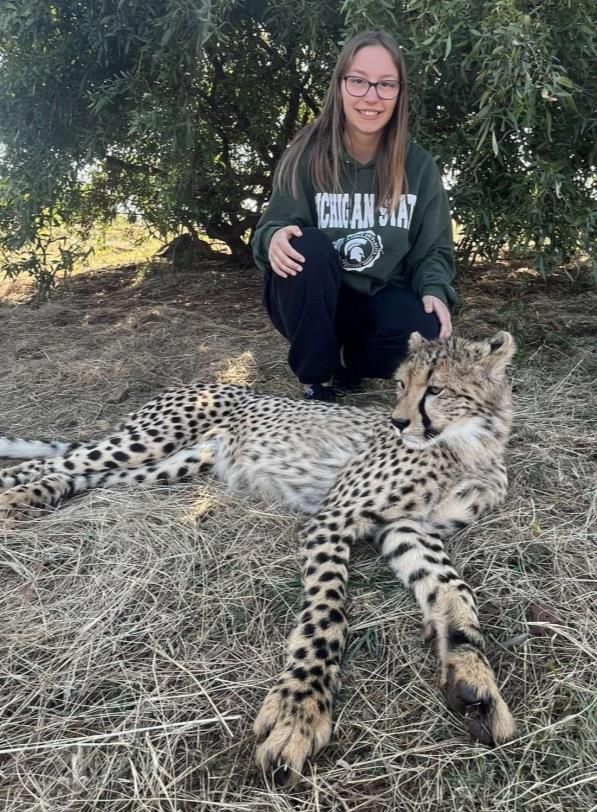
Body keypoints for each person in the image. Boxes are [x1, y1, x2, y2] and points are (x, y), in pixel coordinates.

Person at [252, 30, 457, 402]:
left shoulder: (419, 166)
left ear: (400, 92)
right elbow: (271, 228)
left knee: (423, 330)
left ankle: (353, 362)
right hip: (315, 301)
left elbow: (433, 251)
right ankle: (317, 379)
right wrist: (274, 238)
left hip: (377, 301)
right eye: (359, 81)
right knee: (307, 244)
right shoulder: (307, 155)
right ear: (341, 85)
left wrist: (435, 291)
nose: (371, 97)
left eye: (386, 85)